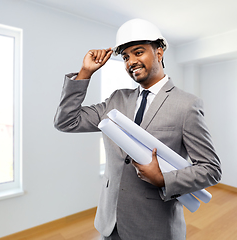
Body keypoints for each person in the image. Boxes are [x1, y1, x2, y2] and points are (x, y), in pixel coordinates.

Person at [54, 18, 221, 240]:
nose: (131, 61)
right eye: (125, 57)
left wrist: (163, 179)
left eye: (138, 52)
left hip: (153, 227)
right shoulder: (117, 99)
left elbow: (210, 169)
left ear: (159, 53)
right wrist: (85, 73)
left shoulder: (186, 105)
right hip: (110, 222)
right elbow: (66, 121)